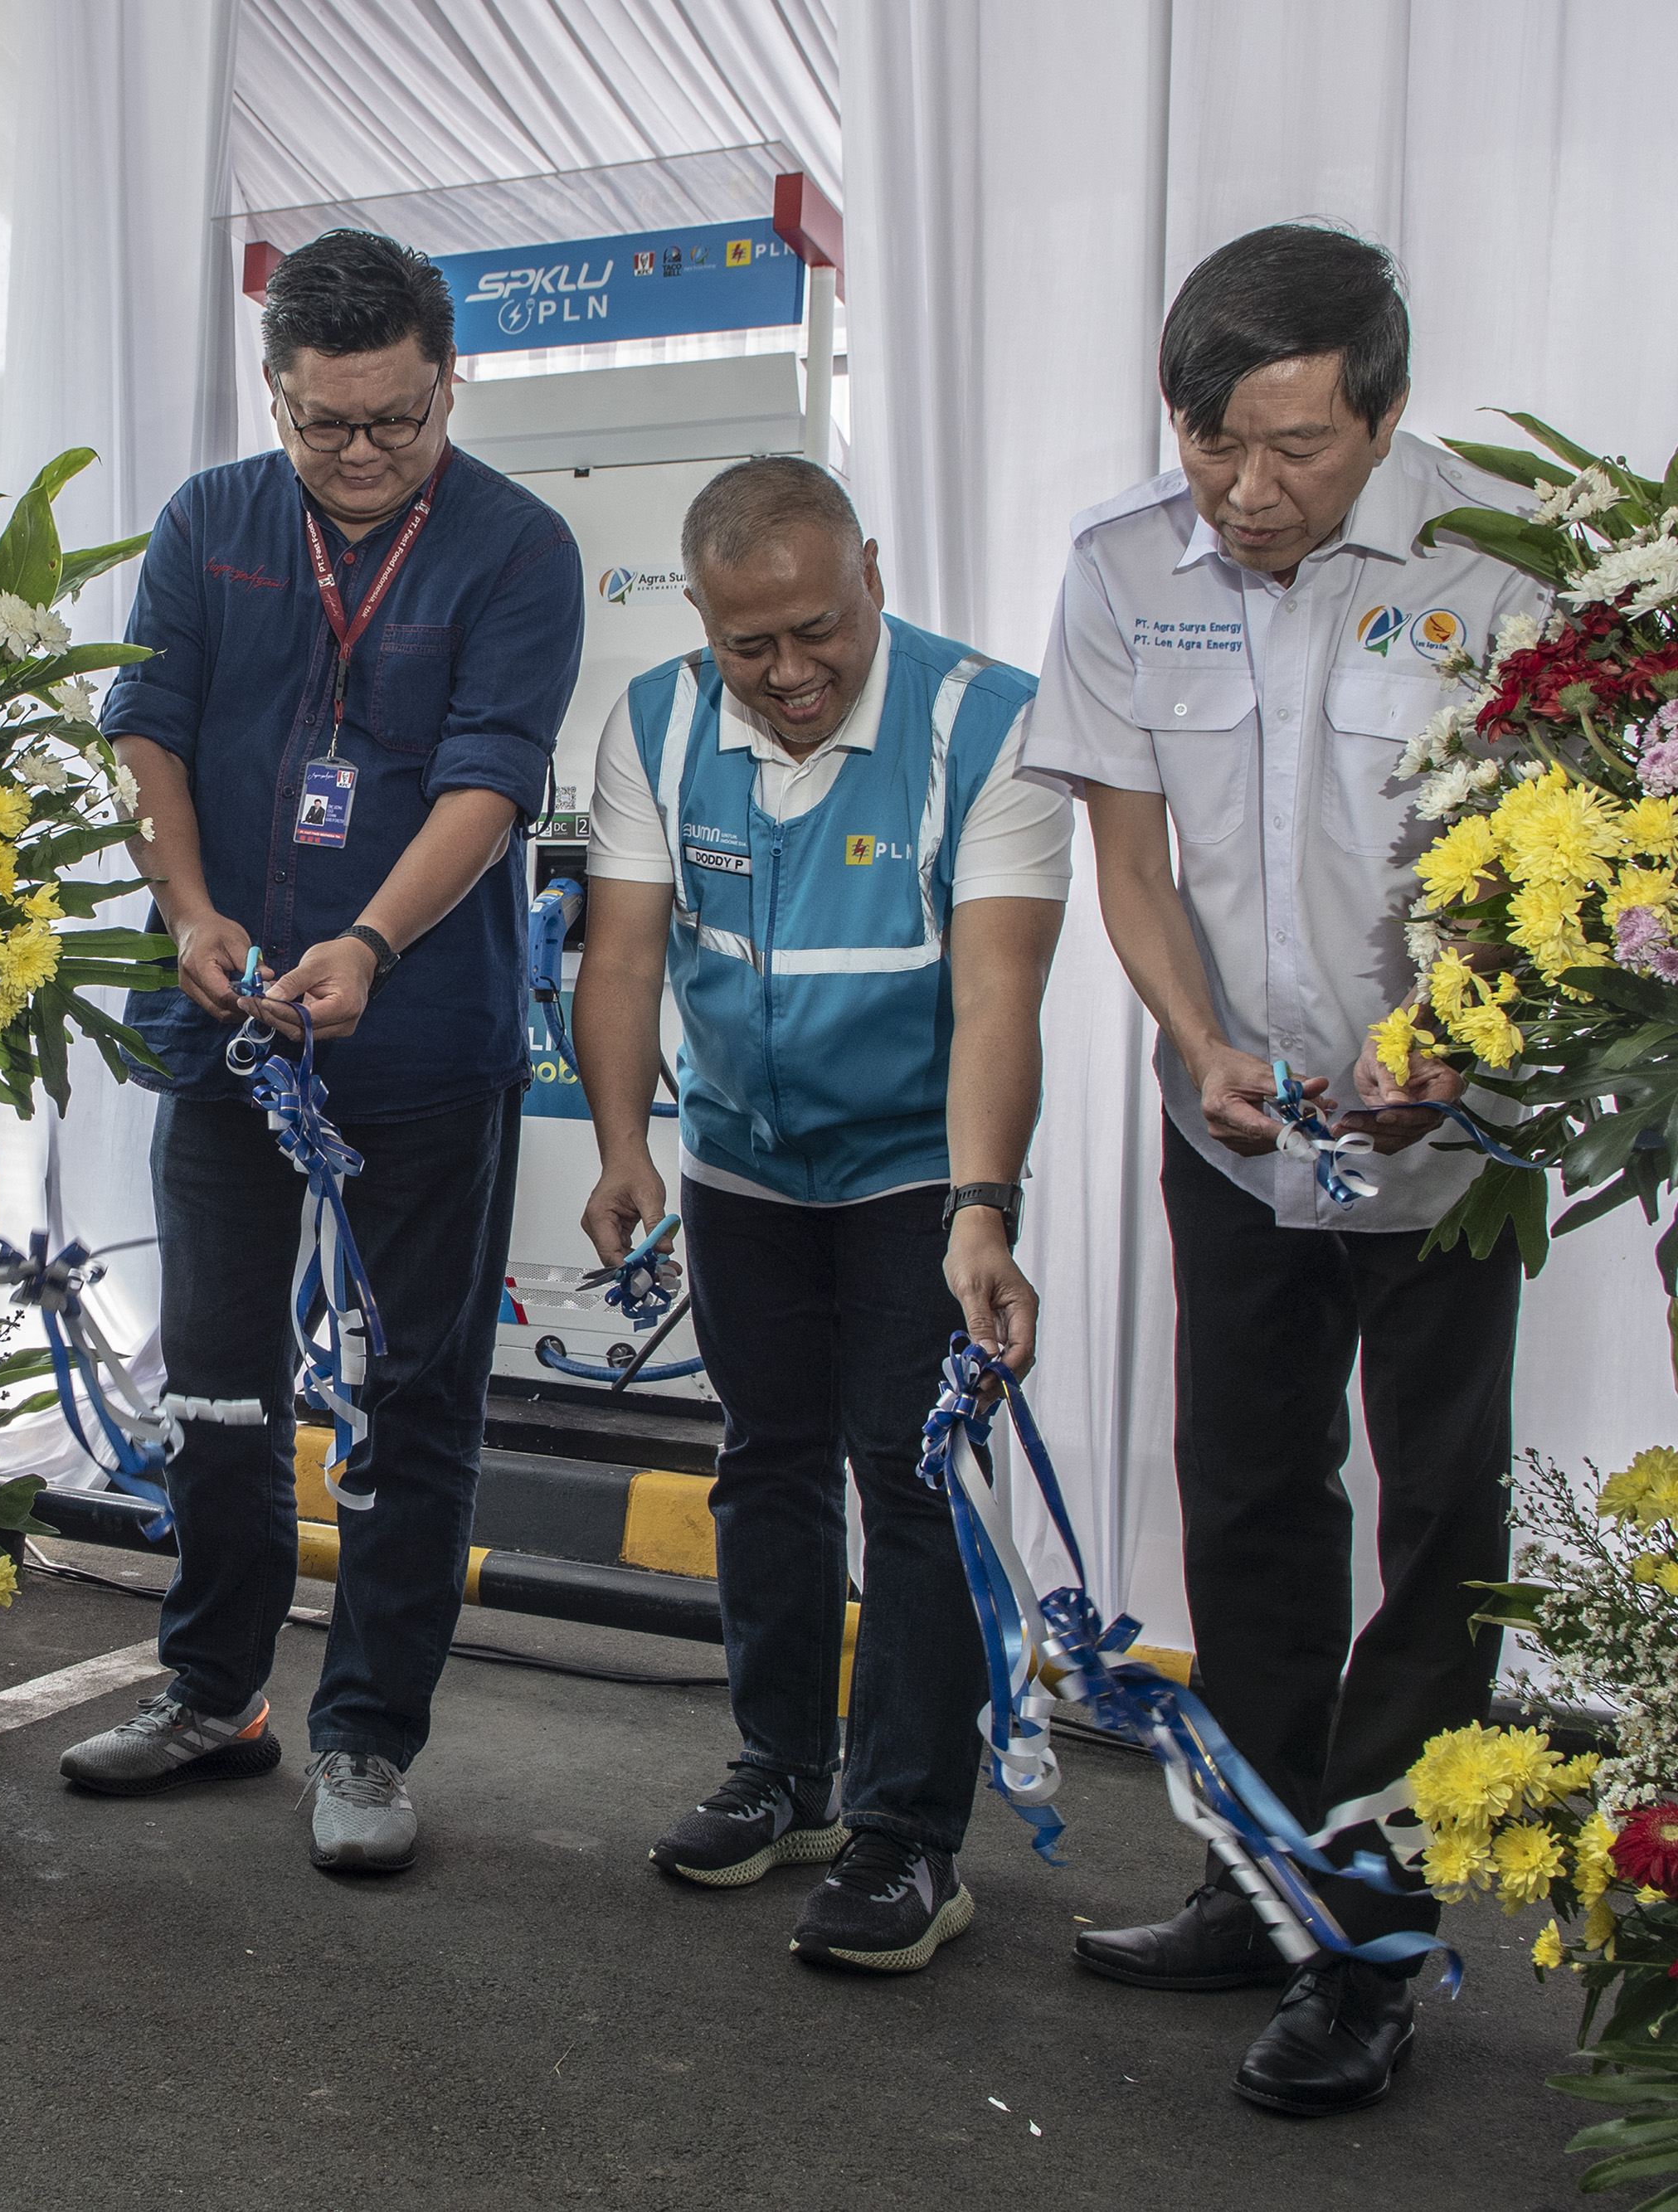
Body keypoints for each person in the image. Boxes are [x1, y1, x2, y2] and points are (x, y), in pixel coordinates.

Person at [1021, 222, 1548, 2115]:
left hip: (1448, 1144)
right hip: (1233, 1135)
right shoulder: (1118, 567)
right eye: (1208, 445)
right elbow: (1128, 857)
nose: (1242, 493)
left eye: (1293, 452)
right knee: (1243, 1494)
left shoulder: (1503, 560)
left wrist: (1453, 1038)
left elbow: (1573, 855)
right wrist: (1192, 1039)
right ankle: (1261, 1867)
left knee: (1435, 1519)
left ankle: (1374, 1928)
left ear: (1382, 414)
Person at [54, 227, 581, 1874]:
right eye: (320, 425)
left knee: (411, 1392)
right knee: (214, 1376)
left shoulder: (516, 547)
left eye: (394, 423)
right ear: (269, 393)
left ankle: (365, 1732)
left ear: (448, 381)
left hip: (417, 1035)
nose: (357, 457)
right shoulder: (211, 522)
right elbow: (142, 726)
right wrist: (190, 904)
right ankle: (211, 1691)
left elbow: (489, 780)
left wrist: (368, 942)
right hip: (219, 1024)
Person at [571, 457, 1069, 1972]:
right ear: (704, 620)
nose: (789, 673)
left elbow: (999, 990)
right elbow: (623, 958)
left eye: (819, 631)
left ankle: (910, 1836)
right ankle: (782, 1774)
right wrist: (621, 1145)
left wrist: (982, 1206)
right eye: (750, 645)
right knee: (767, 1464)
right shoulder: (656, 722)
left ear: (871, 568)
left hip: (918, 1171)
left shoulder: (989, 722)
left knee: (908, 1479)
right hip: (741, 1167)